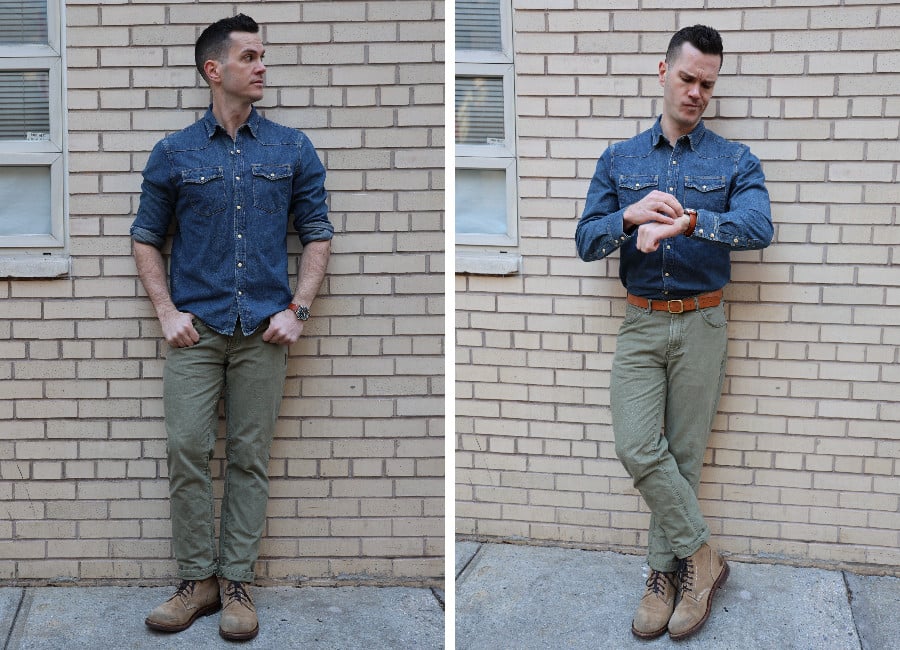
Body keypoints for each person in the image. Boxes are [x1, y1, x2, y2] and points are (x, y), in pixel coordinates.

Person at [131, 14, 333, 642]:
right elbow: (145, 238)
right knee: (187, 449)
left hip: (264, 333)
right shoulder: (175, 152)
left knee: (248, 459)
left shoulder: (291, 148)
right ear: (213, 70)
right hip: (198, 329)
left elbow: (319, 235)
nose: (262, 66)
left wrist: (297, 309)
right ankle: (198, 581)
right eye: (250, 56)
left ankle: (238, 582)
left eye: (263, 55)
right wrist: (167, 312)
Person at [575, 25, 773, 641]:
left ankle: (664, 577)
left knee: (682, 460)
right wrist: (624, 217)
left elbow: (758, 227)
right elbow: (586, 241)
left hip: (704, 321)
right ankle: (703, 558)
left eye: (707, 84)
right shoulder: (620, 158)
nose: (696, 93)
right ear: (662, 72)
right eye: (687, 78)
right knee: (639, 447)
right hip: (640, 322)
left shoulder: (735, 160)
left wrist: (690, 222)